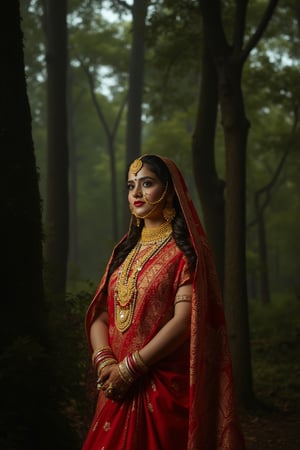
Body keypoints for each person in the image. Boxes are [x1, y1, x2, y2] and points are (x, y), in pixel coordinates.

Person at [82, 154, 245, 450]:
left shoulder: (183, 253)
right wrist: (105, 361)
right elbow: (101, 314)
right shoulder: (123, 252)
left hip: (162, 388)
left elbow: (184, 322)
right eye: (131, 186)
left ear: (170, 191)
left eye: (147, 183)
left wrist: (130, 369)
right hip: (115, 385)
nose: (137, 193)